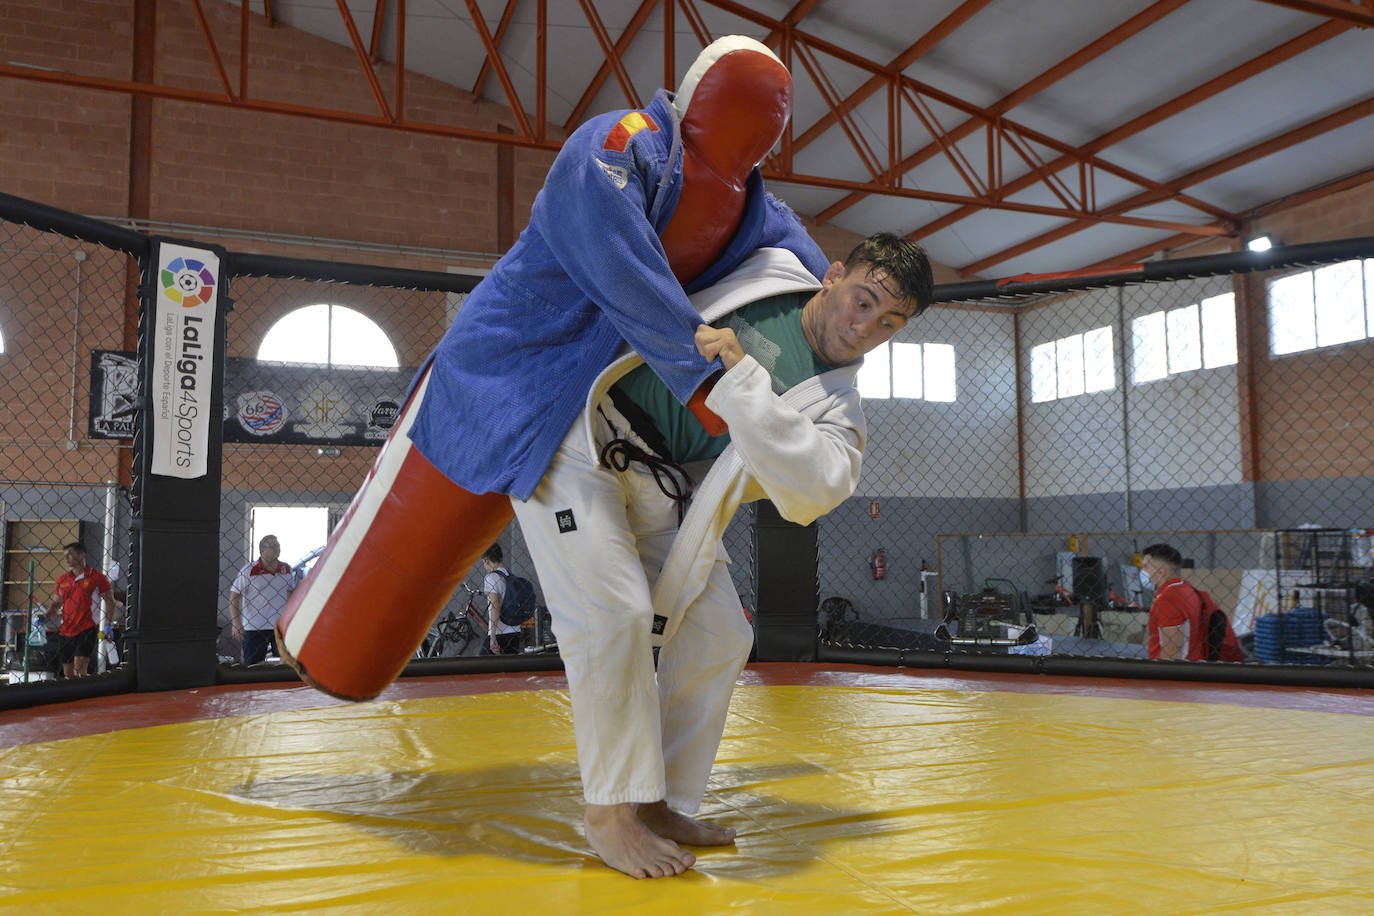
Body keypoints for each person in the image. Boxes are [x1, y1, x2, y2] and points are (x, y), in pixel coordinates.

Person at [276, 35, 832, 702]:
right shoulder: (621, 141)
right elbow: (615, 259)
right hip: (496, 365)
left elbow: (824, 284)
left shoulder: (753, 210)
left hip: (577, 404)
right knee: (411, 523)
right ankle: (317, 639)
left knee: (527, 555)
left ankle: (627, 770)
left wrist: (855, 325)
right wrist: (700, 372)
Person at [513, 232, 934, 878]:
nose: (864, 327)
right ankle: (609, 814)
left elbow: (811, 492)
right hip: (581, 435)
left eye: (888, 324)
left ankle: (658, 804)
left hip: (663, 489)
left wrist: (743, 382)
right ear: (834, 275)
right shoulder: (772, 269)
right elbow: (728, 201)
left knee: (718, 637)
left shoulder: (841, 413)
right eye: (863, 301)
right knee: (617, 615)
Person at [1141, 543, 1243, 661]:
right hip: (1193, 665)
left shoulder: (1168, 599)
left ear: (1161, 572)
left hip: (1175, 673)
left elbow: (1172, 653)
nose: (1142, 571)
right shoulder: (1186, 589)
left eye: (1146, 567)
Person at [46, 542, 115, 678]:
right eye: (65, 556)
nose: (66, 559)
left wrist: (107, 623)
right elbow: (56, 603)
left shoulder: (97, 577)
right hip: (66, 629)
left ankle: (85, 695)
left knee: (80, 668)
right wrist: (46, 616)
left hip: (86, 627)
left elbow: (110, 601)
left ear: (82, 554)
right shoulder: (62, 580)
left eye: (70, 554)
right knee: (68, 673)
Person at [230, 535, 295, 665]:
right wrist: (236, 623)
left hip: (279, 626)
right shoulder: (249, 571)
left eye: (278, 545)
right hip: (254, 626)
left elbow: (291, 594)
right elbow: (234, 597)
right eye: (273, 546)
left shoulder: (286, 569)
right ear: (262, 550)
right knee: (253, 665)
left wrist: (291, 619)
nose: (277, 549)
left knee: (286, 664)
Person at [479, 544, 524, 656]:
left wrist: (492, 636)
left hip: (500, 633)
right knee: (508, 670)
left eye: (484, 563)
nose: (485, 567)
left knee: (480, 667)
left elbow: (495, 606)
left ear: (487, 560)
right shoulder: (510, 576)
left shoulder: (491, 578)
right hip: (515, 631)